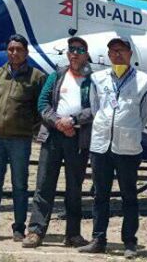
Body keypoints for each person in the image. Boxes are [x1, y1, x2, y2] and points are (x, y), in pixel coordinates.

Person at [77, 37, 147, 258]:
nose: (117, 54)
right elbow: (95, 108)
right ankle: (98, 239)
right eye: (113, 51)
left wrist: (127, 128)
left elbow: (145, 114)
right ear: (109, 55)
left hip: (127, 148)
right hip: (101, 146)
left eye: (121, 50)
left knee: (129, 196)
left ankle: (129, 241)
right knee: (100, 195)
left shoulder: (145, 82)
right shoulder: (98, 79)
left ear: (130, 54)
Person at [23, 36, 96, 248]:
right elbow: (42, 103)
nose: (75, 53)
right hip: (53, 136)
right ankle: (36, 231)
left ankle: (73, 234)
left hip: (78, 138)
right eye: (72, 49)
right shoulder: (56, 76)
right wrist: (58, 122)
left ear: (86, 55)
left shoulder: (93, 81)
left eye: (80, 50)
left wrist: (73, 121)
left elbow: (94, 108)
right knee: (44, 184)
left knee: (74, 187)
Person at [0, 35, 46, 242]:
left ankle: (19, 227)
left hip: (20, 140)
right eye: (11, 49)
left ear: (26, 52)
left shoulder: (36, 77)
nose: (14, 53)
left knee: (19, 185)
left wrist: (27, 126)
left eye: (19, 49)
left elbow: (41, 108)